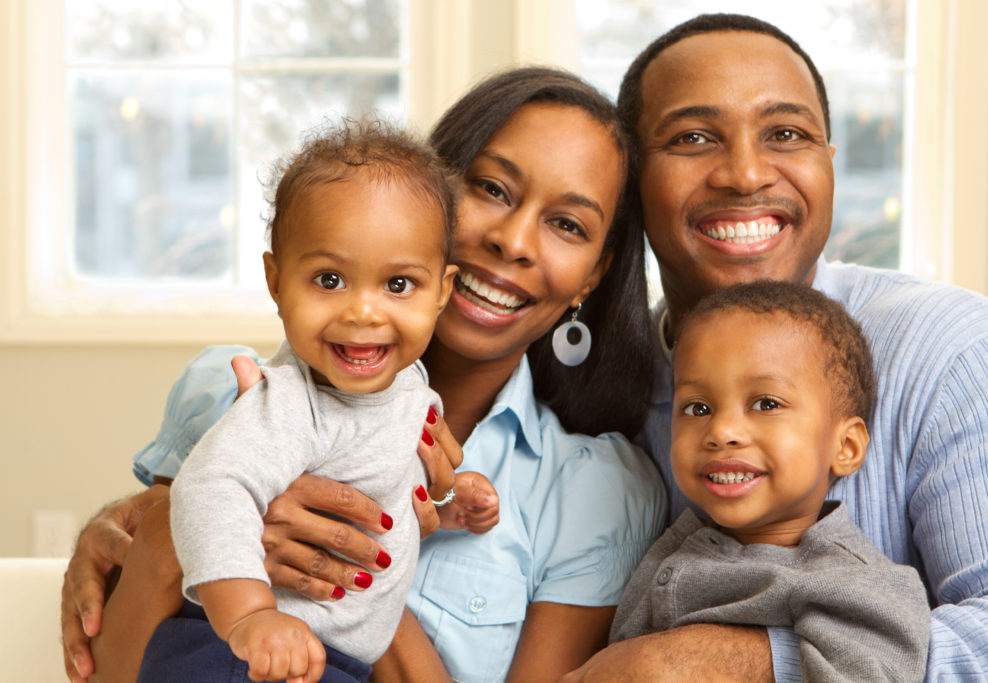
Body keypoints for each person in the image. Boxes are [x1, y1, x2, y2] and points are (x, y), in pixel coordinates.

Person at [62, 66, 667, 683]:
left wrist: (358, 563)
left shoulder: (595, 492)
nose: (514, 241)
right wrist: (189, 533)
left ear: (592, 276)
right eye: (490, 189)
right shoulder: (230, 391)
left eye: (567, 224)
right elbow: (111, 670)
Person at [562, 13, 988, 681]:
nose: (746, 173)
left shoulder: (951, 349)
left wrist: (739, 662)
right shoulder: (599, 389)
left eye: (785, 133)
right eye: (693, 137)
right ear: (632, 181)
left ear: (828, 163)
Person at [137, 120, 466, 683]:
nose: (364, 312)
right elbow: (211, 486)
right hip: (235, 654)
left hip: (329, 658)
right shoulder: (290, 400)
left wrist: (458, 501)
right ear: (275, 280)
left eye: (399, 285)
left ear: (442, 289)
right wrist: (251, 615)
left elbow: (389, 491)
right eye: (330, 279)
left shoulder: (410, 385)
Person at [609, 280, 930, 682]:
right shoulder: (669, 548)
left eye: (766, 404)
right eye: (698, 407)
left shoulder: (860, 587)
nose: (722, 431)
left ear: (845, 446)